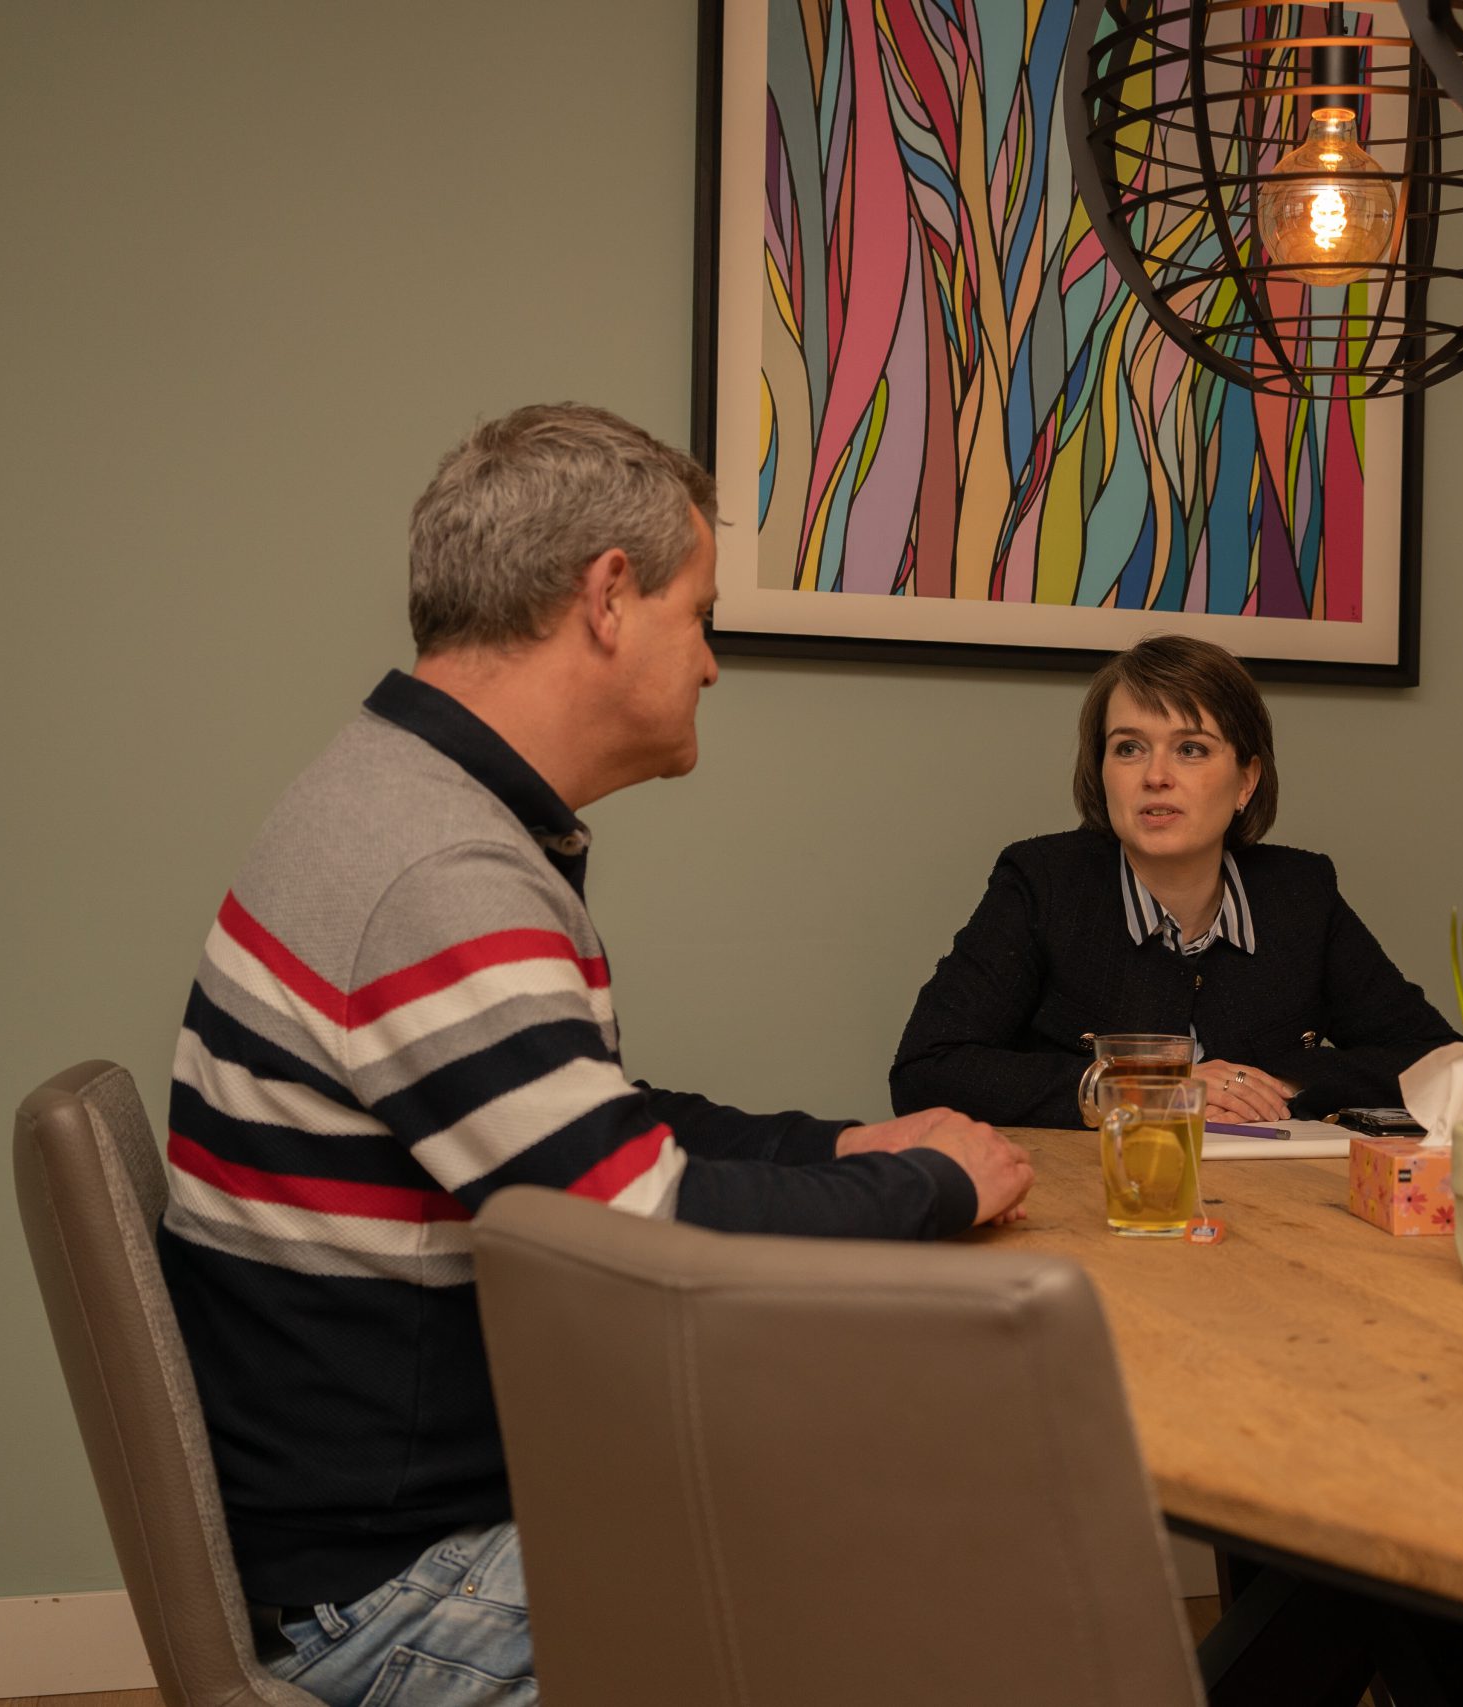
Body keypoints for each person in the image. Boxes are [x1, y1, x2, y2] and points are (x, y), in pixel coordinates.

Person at [158, 403, 1034, 1706]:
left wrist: (839, 1145)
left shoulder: (396, 798)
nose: (714, 666)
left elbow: (592, 1132)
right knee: (951, 1605)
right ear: (610, 597)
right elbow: (638, 1231)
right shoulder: (436, 869)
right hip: (397, 1587)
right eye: (702, 616)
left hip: (374, 1524)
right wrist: (933, 1184)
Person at [890, 634, 1459, 1128]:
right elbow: (927, 1070)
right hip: (1093, 1195)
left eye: (1190, 749)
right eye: (1129, 748)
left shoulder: (1300, 893)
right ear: (1102, 772)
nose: (1155, 776)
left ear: (1246, 781)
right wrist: (1154, 1091)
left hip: (1271, 1196)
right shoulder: (1044, 884)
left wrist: (1274, 1083)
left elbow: (1443, 1064)